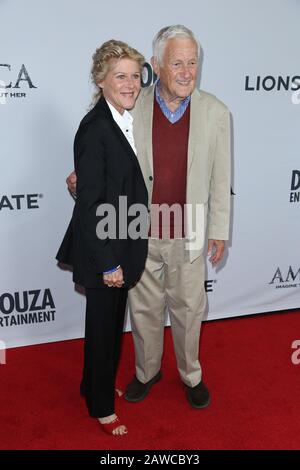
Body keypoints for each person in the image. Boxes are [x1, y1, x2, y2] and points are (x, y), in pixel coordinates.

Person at [67, 25, 231, 410]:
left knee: (190, 308)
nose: (187, 71)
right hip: (136, 229)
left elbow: (220, 179)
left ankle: (191, 374)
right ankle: (146, 371)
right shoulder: (131, 103)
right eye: (178, 63)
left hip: (188, 225)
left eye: (193, 62)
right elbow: (106, 158)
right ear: (156, 65)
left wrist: (219, 230)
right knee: (143, 310)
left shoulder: (217, 113)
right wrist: (82, 180)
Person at [56, 40, 148, 436]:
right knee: (101, 328)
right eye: (120, 76)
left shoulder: (126, 117)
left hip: (122, 239)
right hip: (104, 247)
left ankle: (92, 385)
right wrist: (108, 261)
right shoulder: (95, 128)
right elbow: (91, 204)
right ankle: (100, 406)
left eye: (133, 76)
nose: (129, 84)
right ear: (100, 79)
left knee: (111, 326)